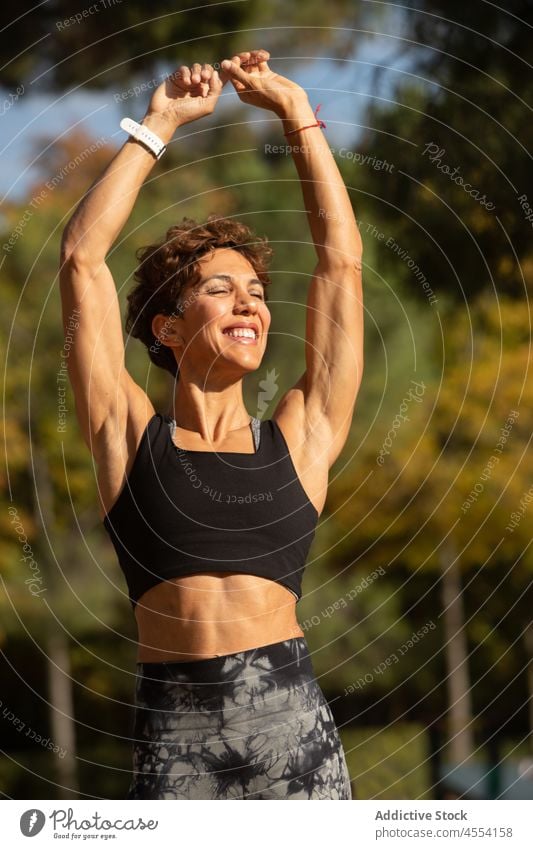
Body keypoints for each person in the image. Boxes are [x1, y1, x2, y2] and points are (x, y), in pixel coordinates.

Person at [60, 49, 363, 800]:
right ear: (166, 327)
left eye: (256, 292)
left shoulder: (301, 435)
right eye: (220, 289)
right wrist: (158, 123)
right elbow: (80, 259)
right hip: (176, 732)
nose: (248, 303)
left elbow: (340, 266)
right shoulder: (127, 436)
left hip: (294, 728)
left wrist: (299, 116)